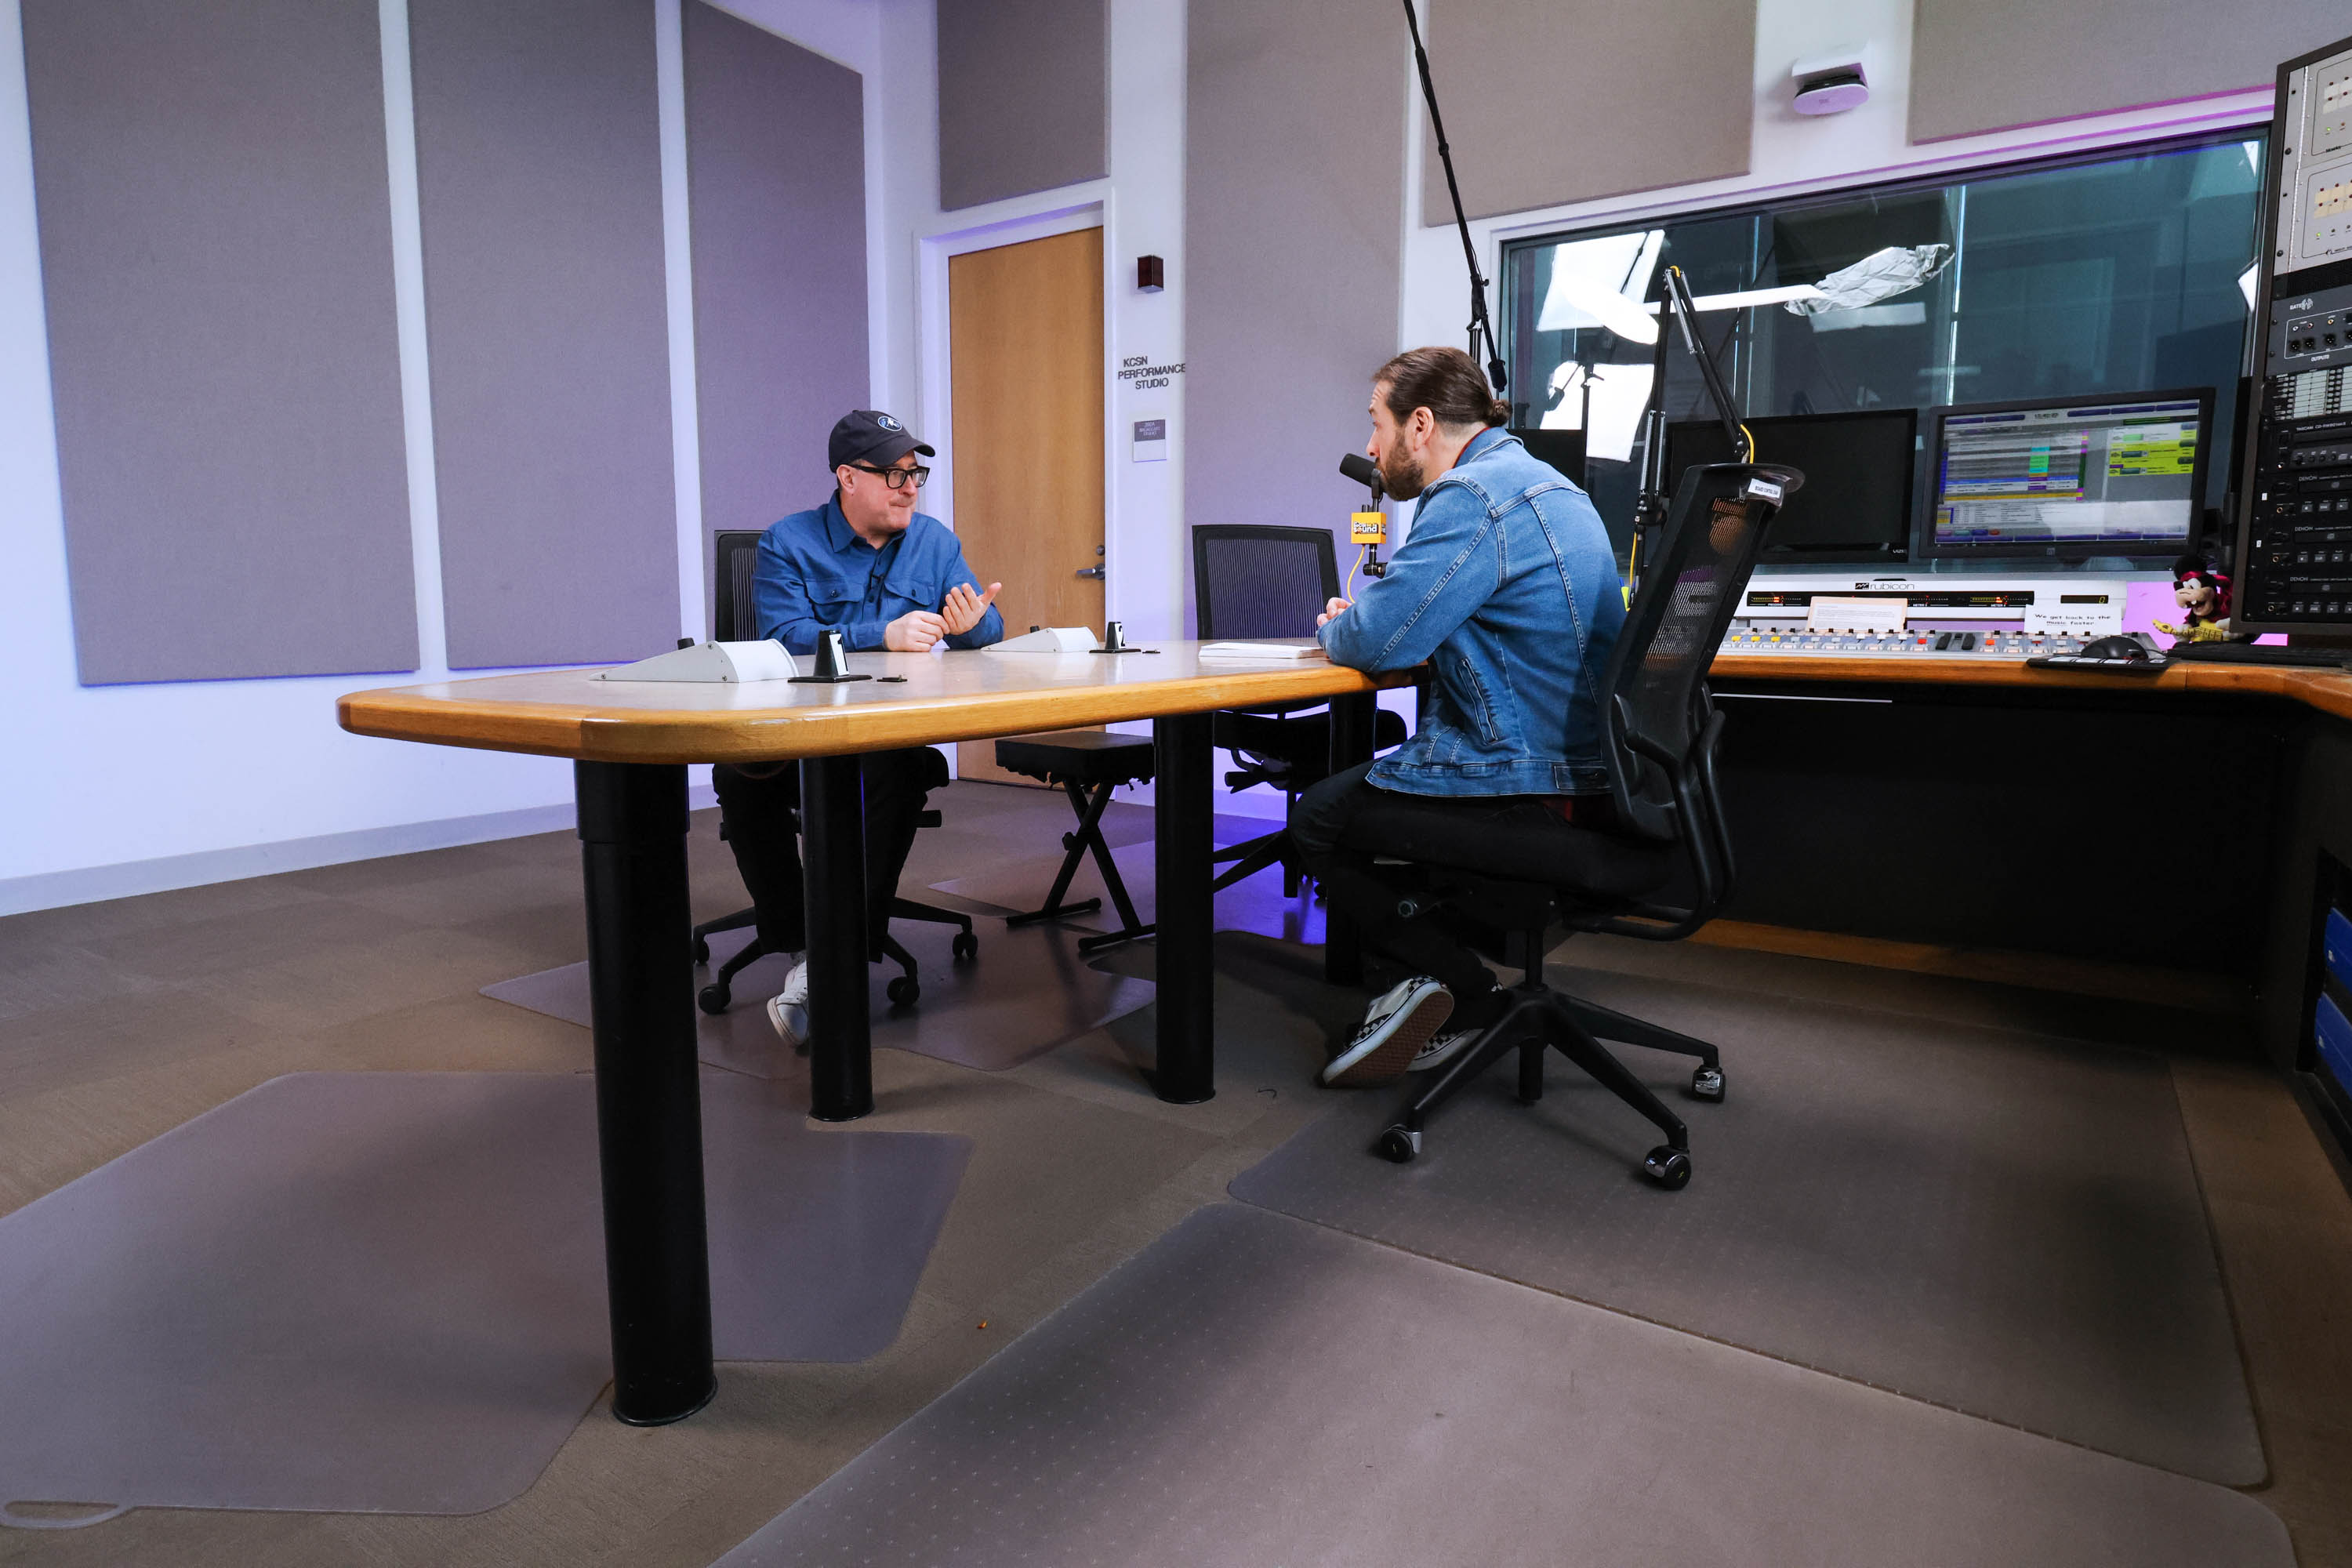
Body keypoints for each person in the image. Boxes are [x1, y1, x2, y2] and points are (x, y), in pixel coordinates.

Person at [1292, 346, 1626, 1087]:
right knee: (1378, 790)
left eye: (1375, 425)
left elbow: (1375, 642)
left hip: (1530, 775)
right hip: (1599, 770)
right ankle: (1419, 984)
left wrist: (1340, 623)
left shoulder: (1472, 496)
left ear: (1419, 424)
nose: (1370, 447)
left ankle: (1460, 992)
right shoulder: (1555, 488)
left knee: (1320, 817)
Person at [712, 409, 1004, 1047]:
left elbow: (985, 628)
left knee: (892, 769)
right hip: (799, 733)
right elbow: (784, 637)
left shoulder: (934, 542)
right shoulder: (788, 541)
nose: (910, 488)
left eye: (915, 474)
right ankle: (800, 943)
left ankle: (835, 961)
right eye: (894, 474)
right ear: (847, 477)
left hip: (885, 735)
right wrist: (882, 635)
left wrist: (973, 625)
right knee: (736, 775)